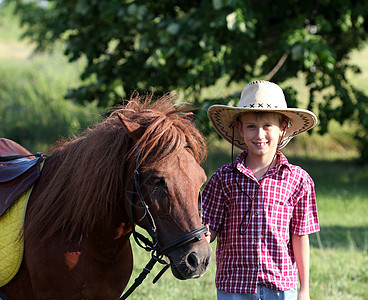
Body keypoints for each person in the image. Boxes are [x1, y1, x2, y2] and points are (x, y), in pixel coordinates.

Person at [203, 80, 320, 300]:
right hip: (234, 286)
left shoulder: (298, 180)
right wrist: (196, 239)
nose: (260, 135)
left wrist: (304, 289)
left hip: (280, 286)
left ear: (282, 128)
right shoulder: (223, 177)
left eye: (267, 126)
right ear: (240, 128)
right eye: (251, 126)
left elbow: (299, 237)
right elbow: (210, 229)